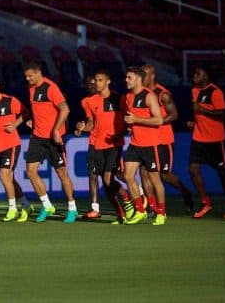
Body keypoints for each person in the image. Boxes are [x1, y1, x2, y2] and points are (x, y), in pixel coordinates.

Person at [23, 61, 77, 223]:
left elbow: (65, 109)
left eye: (30, 76)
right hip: (37, 137)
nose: (28, 79)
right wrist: (33, 120)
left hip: (54, 138)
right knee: (31, 171)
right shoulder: (31, 89)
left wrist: (55, 130)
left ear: (39, 72)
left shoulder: (50, 87)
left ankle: (72, 208)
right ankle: (47, 205)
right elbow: (39, 110)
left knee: (61, 173)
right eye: (26, 76)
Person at [141, 64, 194, 214]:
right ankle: (151, 207)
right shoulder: (140, 93)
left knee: (164, 175)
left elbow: (174, 115)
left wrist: (157, 121)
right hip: (146, 139)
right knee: (144, 171)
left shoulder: (162, 94)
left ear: (152, 76)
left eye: (144, 75)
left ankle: (185, 192)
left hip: (163, 139)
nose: (141, 78)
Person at [75, 71, 127, 222]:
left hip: (113, 144)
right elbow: (91, 124)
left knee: (112, 178)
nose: (95, 84)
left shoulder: (118, 98)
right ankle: (99, 209)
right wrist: (81, 129)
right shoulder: (88, 102)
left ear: (107, 81)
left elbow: (126, 119)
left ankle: (132, 196)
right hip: (95, 143)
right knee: (94, 176)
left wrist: (121, 132)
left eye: (98, 81)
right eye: (92, 82)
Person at [0, 74, 33, 222]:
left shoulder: (10, 101)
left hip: (12, 144)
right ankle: (26, 204)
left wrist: (15, 125)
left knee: (4, 175)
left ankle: (12, 208)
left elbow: (26, 113)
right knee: (9, 178)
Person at [188, 65, 225, 219]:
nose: (194, 76)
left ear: (206, 76)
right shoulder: (194, 91)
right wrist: (194, 123)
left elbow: (222, 114)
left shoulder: (215, 91)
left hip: (216, 139)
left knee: (222, 172)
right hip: (198, 138)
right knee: (193, 169)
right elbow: (197, 114)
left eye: (198, 73)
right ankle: (206, 202)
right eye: (194, 73)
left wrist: (202, 111)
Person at [123, 66, 166, 225]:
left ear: (139, 79)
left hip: (151, 145)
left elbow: (159, 120)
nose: (126, 80)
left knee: (155, 180)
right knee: (127, 176)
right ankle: (140, 211)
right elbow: (133, 118)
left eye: (129, 78)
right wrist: (130, 125)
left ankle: (161, 213)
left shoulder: (149, 96)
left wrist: (136, 120)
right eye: (126, 77)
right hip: (135, 144)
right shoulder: (128, 97)